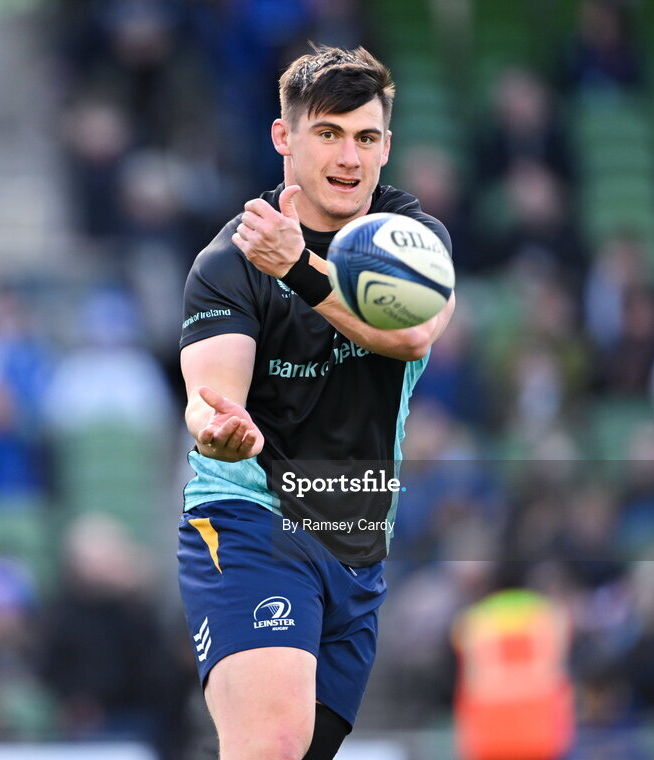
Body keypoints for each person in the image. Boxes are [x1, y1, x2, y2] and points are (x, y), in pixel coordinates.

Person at [176, 45, 455, 760]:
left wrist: (299, 269)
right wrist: (219, 432)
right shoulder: (227, 263)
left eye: (365, 137)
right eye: (327, 133)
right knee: (270, 748)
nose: (348, 157)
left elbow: (413, 336)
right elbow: (209, 400)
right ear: (283, 138)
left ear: (386, 147)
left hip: (357, 548)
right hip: (252, 525)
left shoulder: (410, 240)